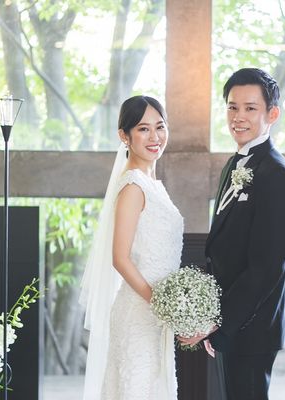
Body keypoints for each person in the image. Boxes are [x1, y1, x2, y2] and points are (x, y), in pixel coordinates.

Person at [180, 68, 285, 400]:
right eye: (232, 107)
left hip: (252, 326)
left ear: (272, 114)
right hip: (232, 324)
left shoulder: (277, 175)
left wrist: (222, 322)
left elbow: (266, 268)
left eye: (250, 108)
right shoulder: (234, 165)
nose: (238, 117)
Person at [79, 95, 183, 400]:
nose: (155, 137)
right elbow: (120, 259)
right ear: (124, 136)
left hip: (157, 315)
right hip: (139, 312)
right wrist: (162, 305)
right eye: (143, 129)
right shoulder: (133, 187)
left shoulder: (153, 185)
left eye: (160, 127)